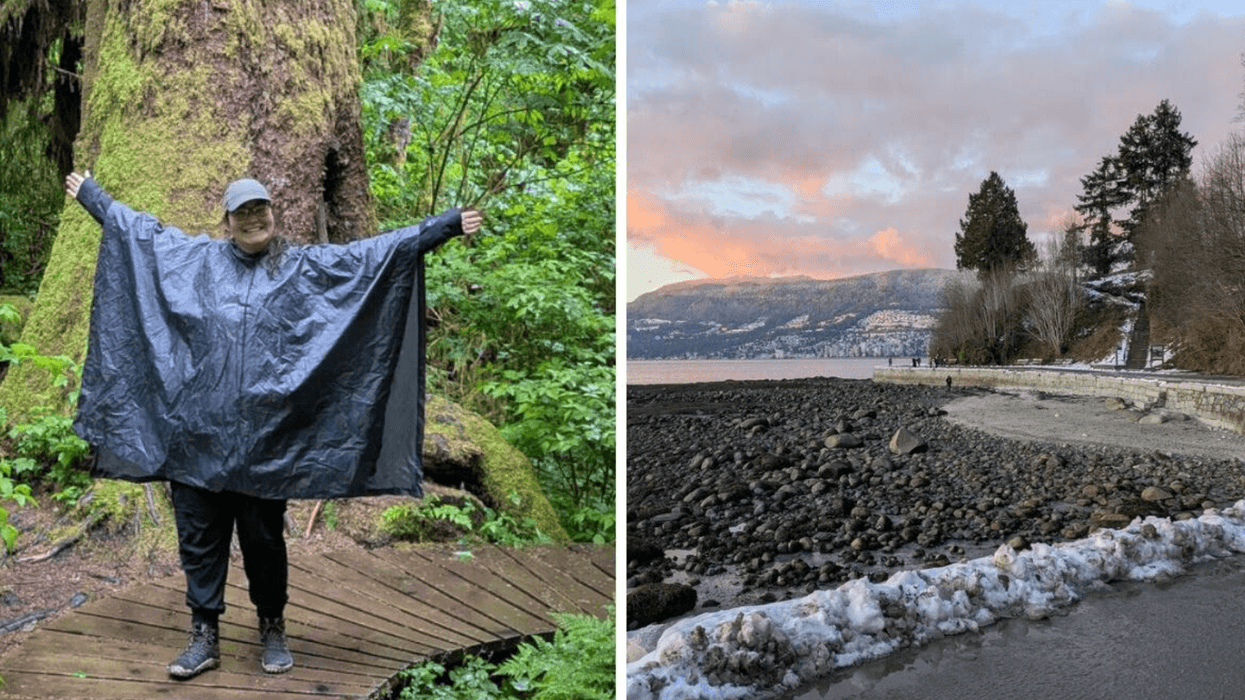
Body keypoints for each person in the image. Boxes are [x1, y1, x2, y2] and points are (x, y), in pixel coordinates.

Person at [64, 171, 482, 680]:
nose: (254, 218)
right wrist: (94, 197)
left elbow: (372, 257)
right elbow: (140, 235)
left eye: (260, 209)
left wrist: (442, 227)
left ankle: (272, 625)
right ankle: (204, 634)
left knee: (263, 541)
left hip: (267, 444)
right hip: (196, 436)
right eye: (242, 212)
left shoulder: (301, 266)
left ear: (272, 212)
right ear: (228, 221)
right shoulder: (195, 261)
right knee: (199, 539)